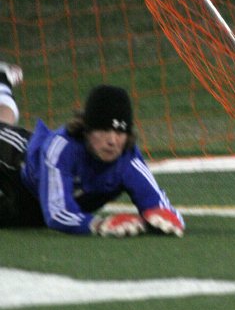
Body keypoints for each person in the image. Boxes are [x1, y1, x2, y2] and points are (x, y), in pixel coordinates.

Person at [0, 61, 185, 237]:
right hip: (16, 163)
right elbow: (58, 213)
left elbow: (157, 204)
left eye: (120, 132)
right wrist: (99, 224)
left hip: (31, 209)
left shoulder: (128, 160)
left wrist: (164, 216)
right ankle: (3, 84)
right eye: (104, 130)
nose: (112, 141)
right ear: (86, 130)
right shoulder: (62, 149)